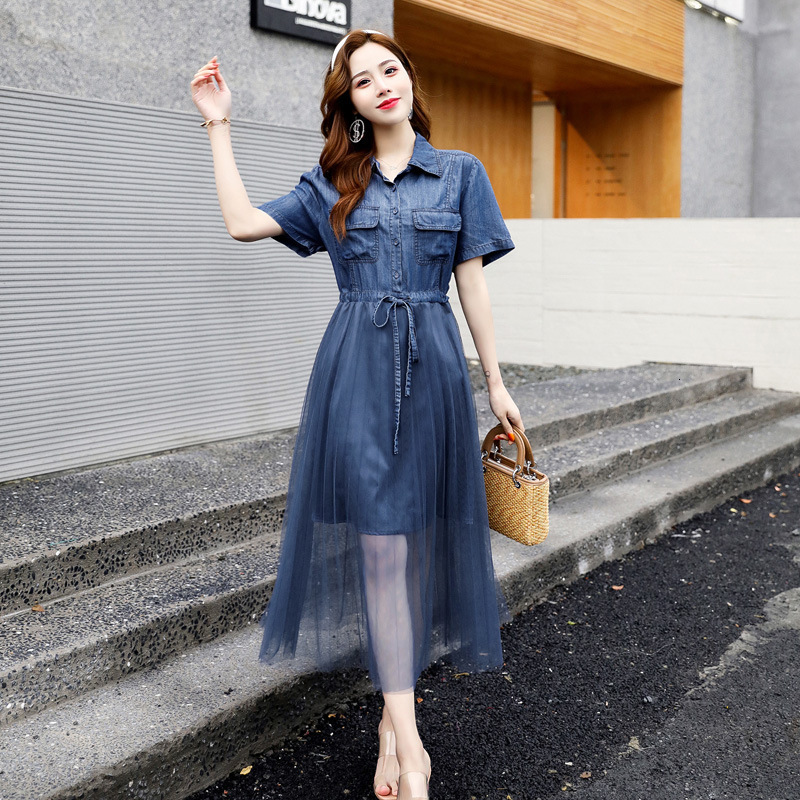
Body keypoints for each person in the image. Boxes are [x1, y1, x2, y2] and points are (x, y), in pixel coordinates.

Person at [190, 28, 524, 800]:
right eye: (364, 80)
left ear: (409, 80)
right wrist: (219, 123)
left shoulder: (461, 173)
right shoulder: (332, 182)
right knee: (379, 551)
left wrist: (496, 382)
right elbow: (242, 222)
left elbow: (472, 284)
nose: (382, 84)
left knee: (417, 549)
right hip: (357, 378)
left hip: (435, 372)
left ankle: (387, 726)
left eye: (390, 69)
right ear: (351, 107)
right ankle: (411, 748)